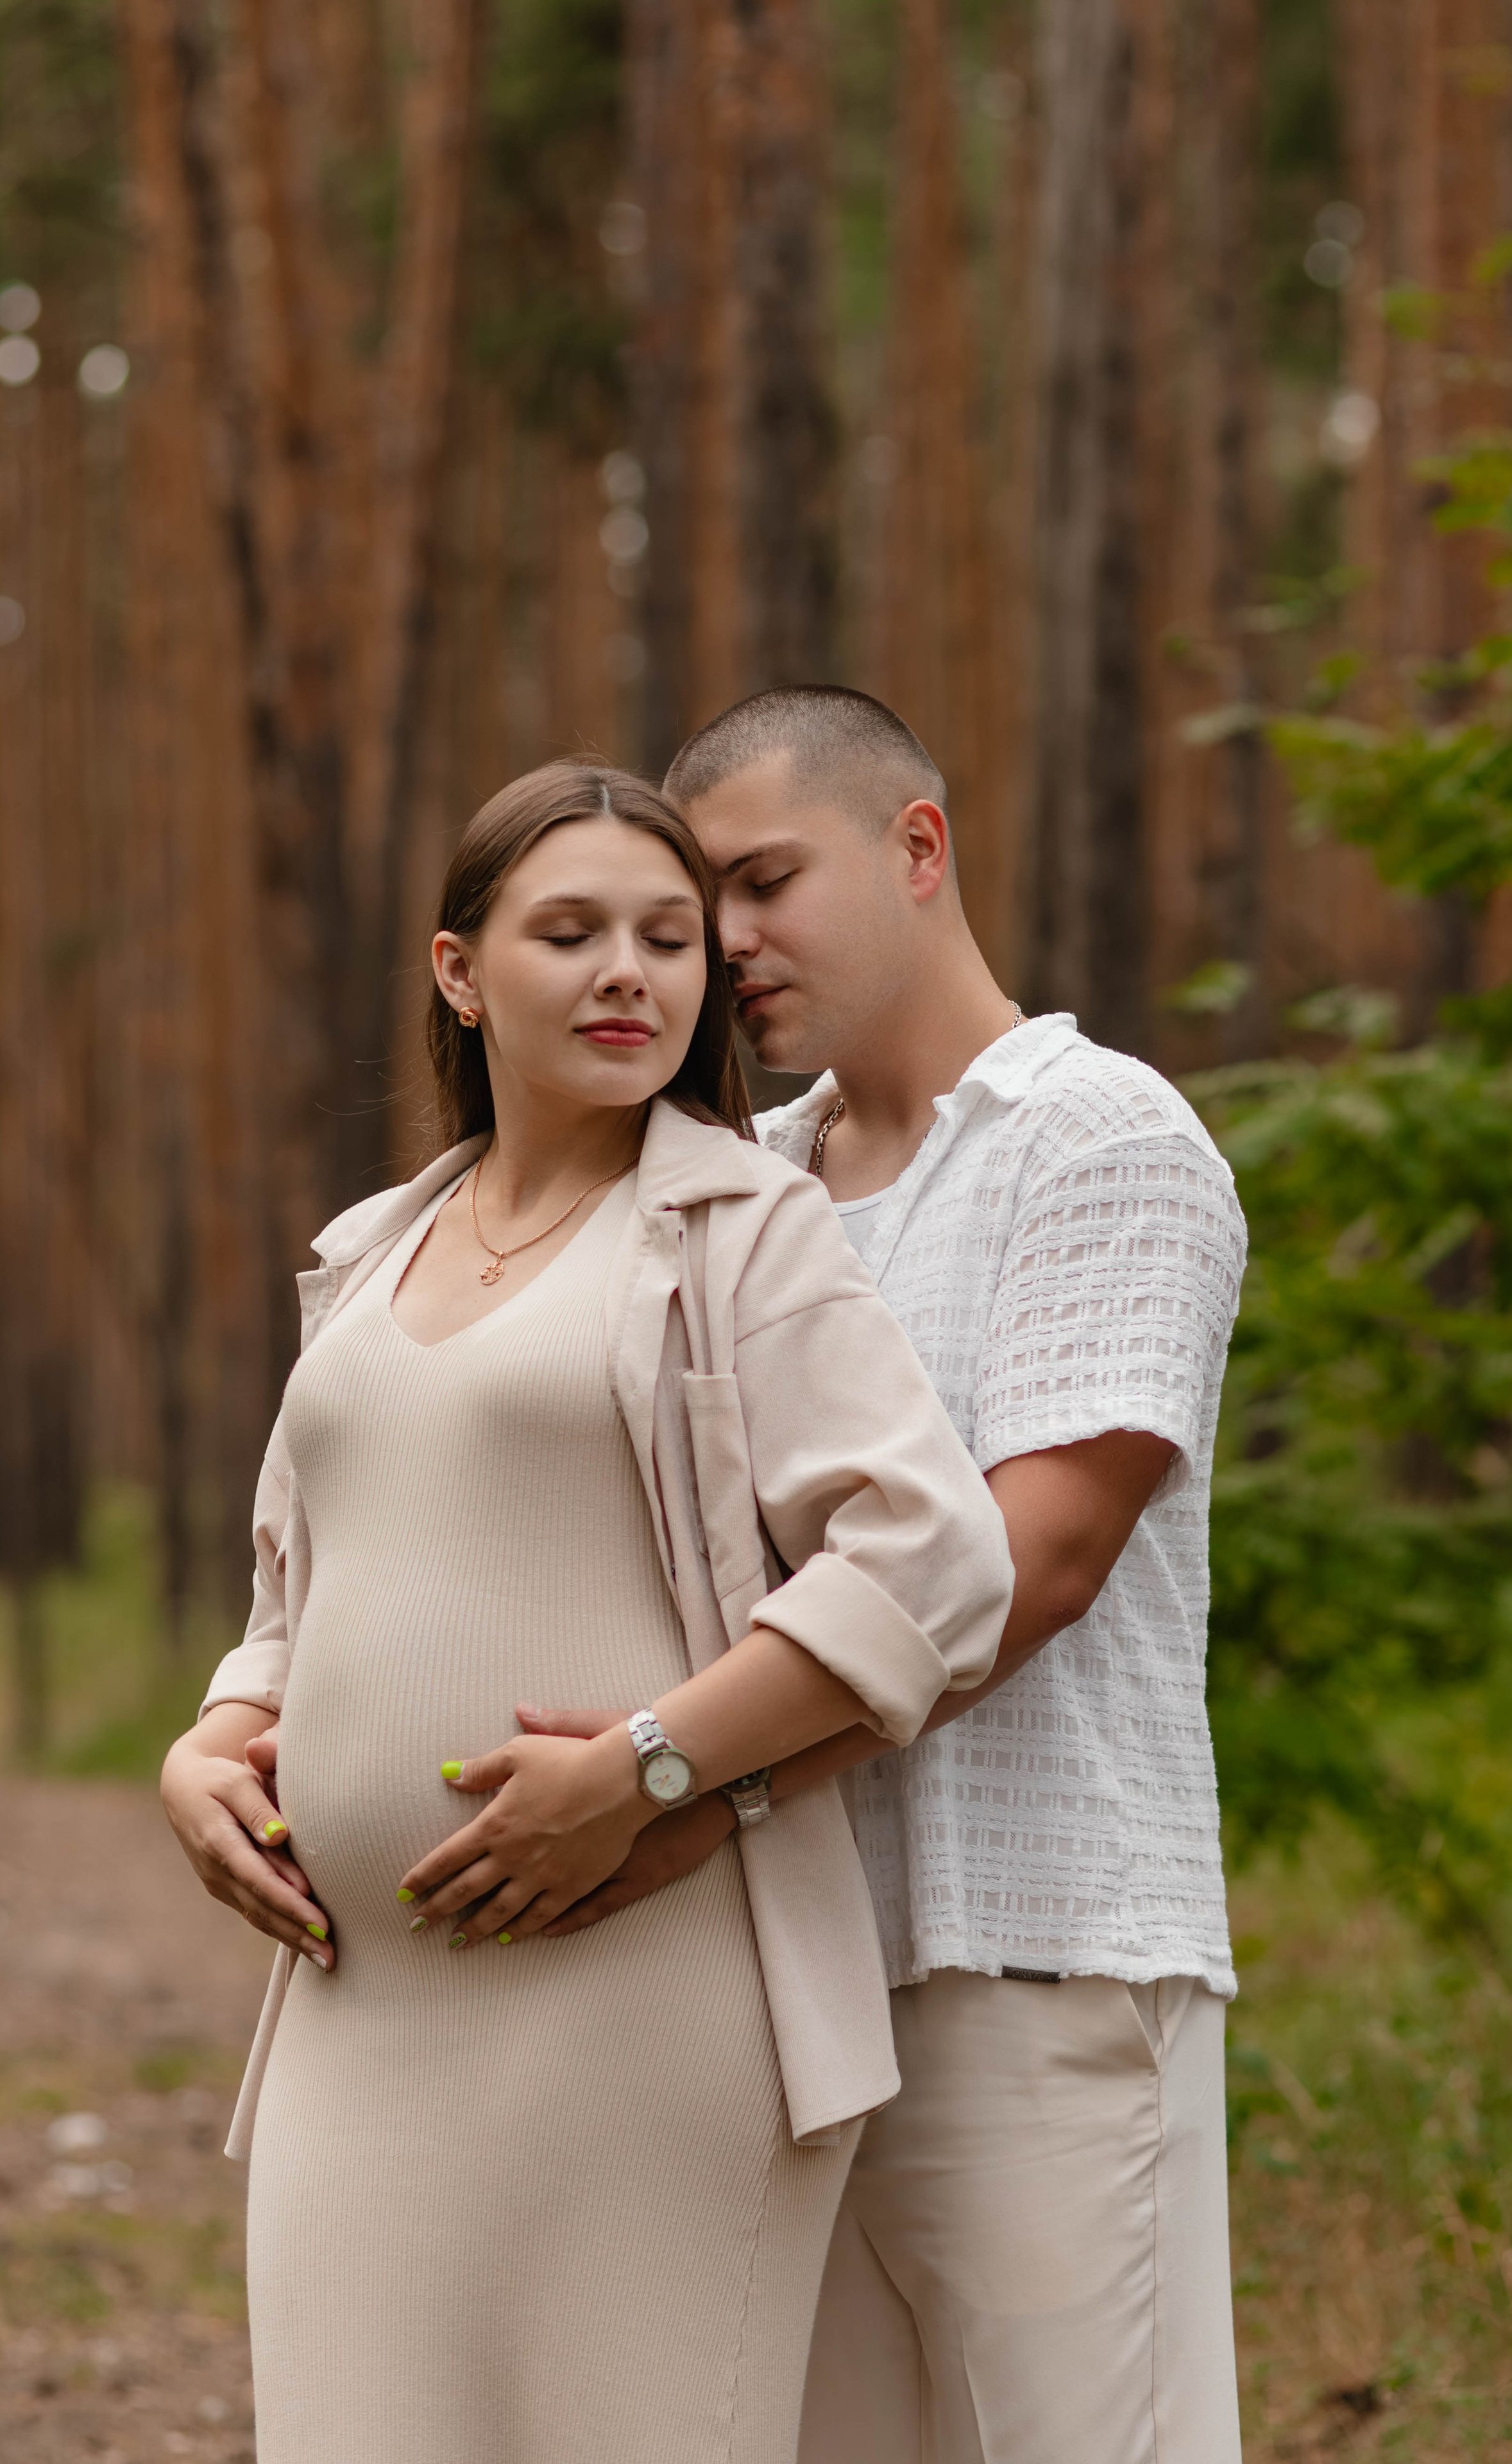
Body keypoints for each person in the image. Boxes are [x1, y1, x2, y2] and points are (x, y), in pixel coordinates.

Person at [158, 761, 1014, 2464]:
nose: (630, 973)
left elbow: (933, 1559)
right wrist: (210, 1744)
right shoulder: (371, 1251)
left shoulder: (740, 1227)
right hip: (357, 2016)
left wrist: (646, 1765)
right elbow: (296, 1592)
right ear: (461, 972)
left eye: (669, 938)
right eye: (571, 934)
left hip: (651, 2001)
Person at [522, 692, 1250, 2464]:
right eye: (702, 901)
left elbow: (1032, 1563)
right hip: (779, 1982)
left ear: (917, 846)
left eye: (765, 881)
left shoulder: (1099, 1137)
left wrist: (681, 1778)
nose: (725, 942)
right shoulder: (742, 1189)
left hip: (1040, 1955)